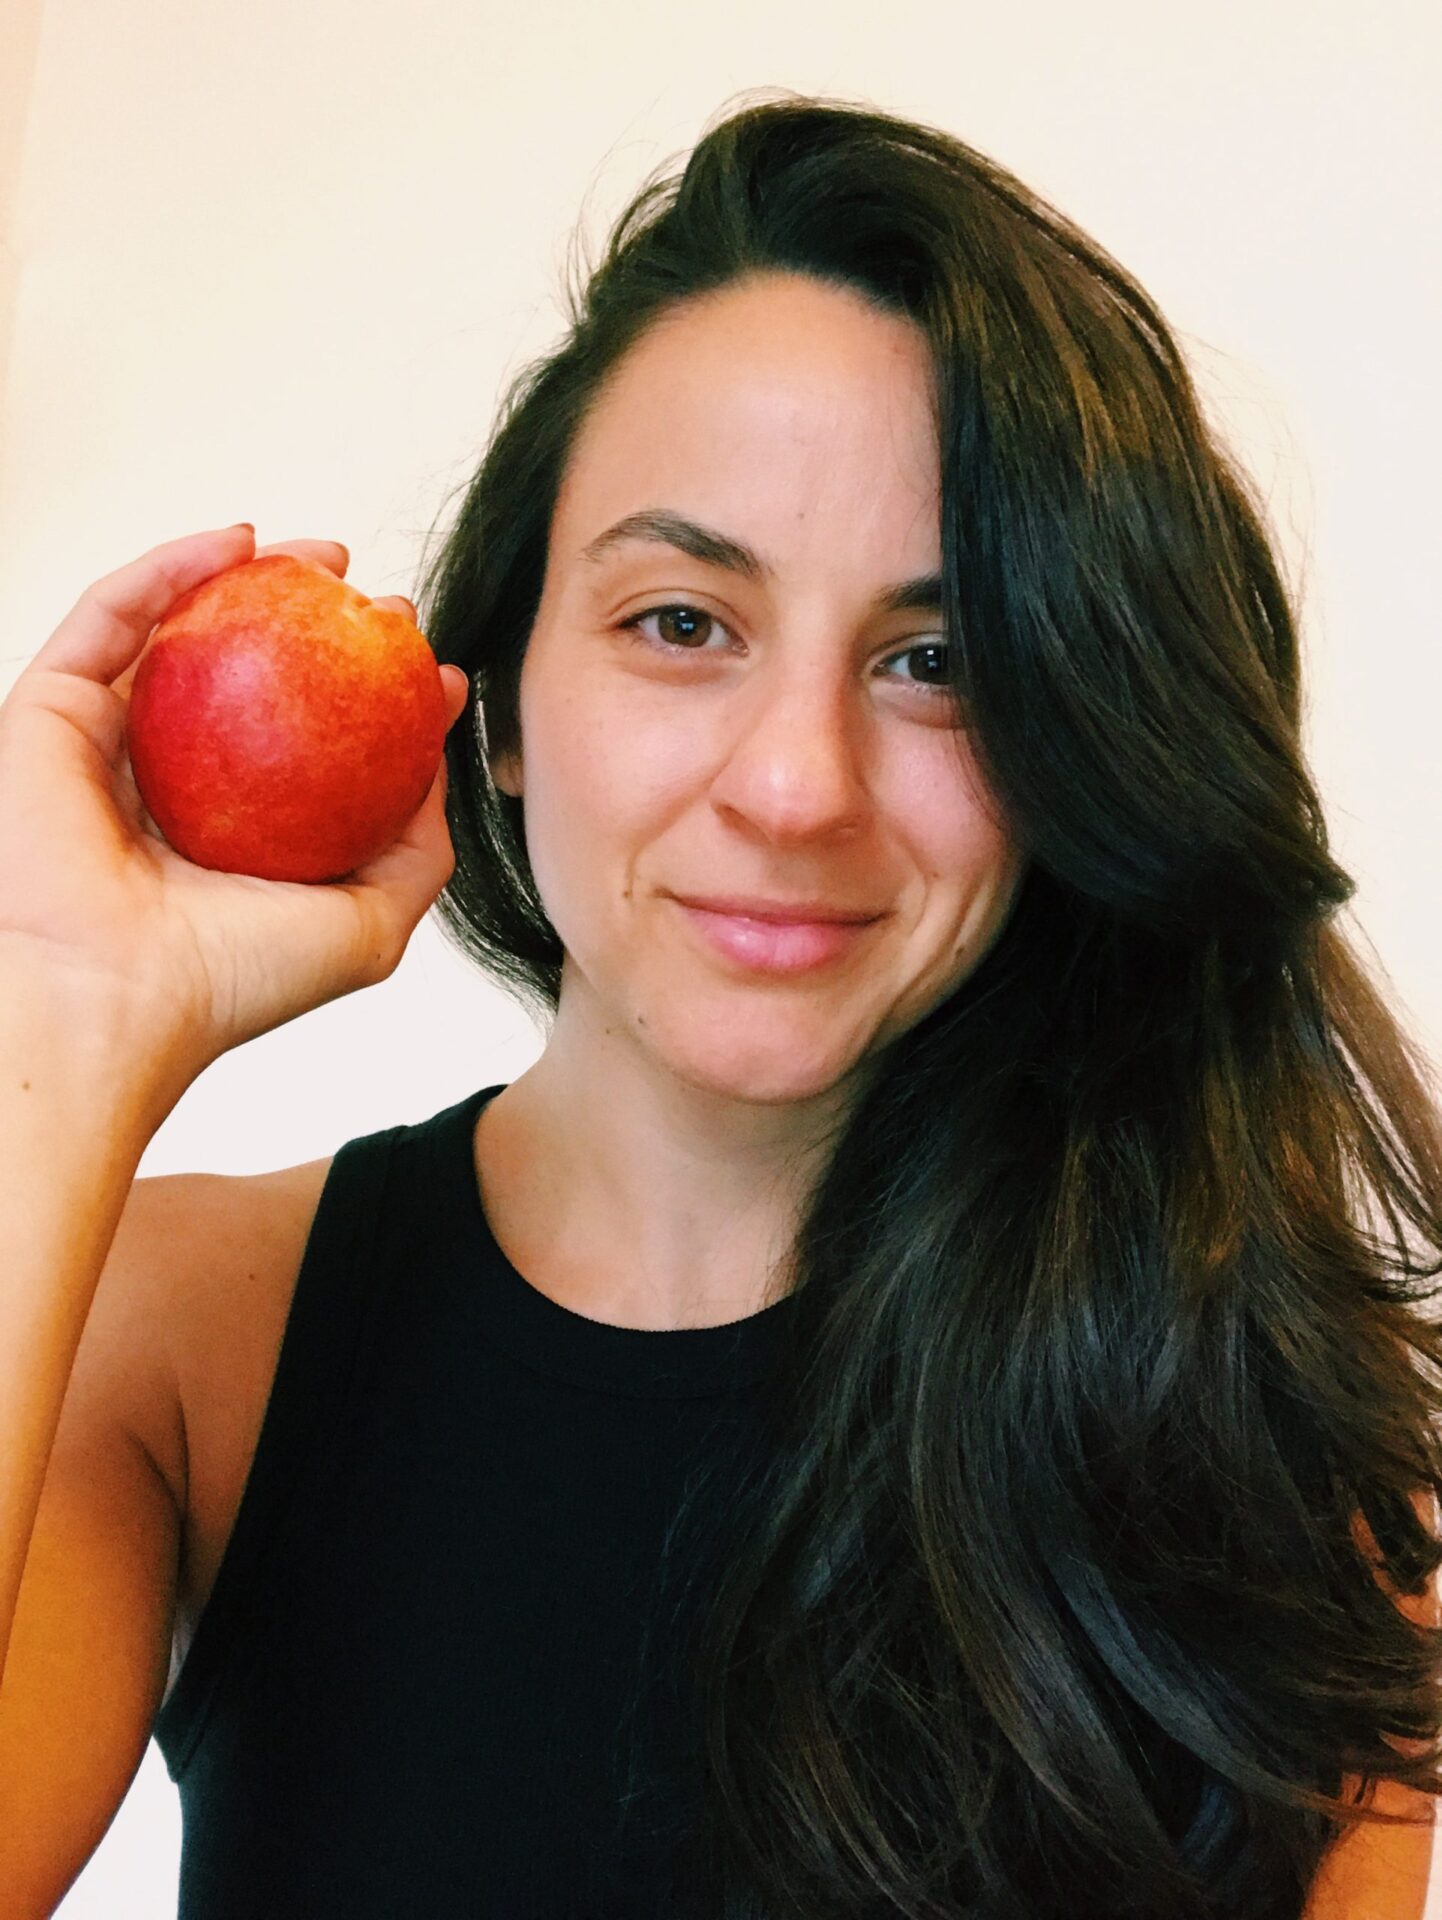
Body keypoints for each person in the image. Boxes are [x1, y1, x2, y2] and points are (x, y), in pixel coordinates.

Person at [1, 88, 1438, 1920]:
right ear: (497, 703)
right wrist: (48, 1012)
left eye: (936, 662)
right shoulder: (182, 1341)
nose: (795, 787)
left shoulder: (1259, 1448)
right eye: (681, 622)